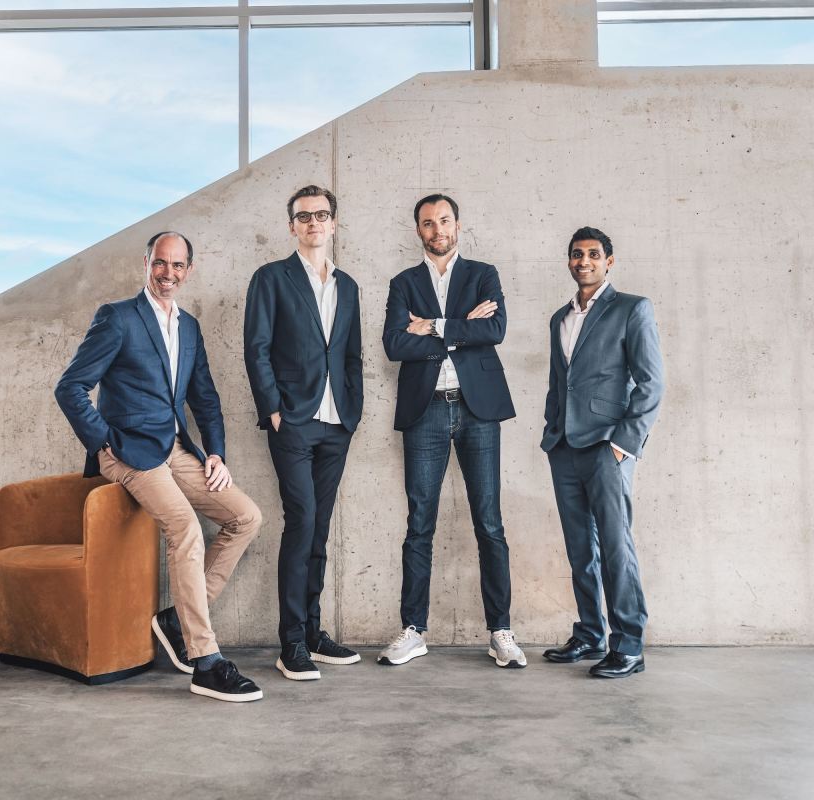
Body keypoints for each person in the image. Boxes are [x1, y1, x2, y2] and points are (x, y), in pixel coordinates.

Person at [55, 231, 264, 702]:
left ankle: (176, 620)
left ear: (189, 270)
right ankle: (205, 661)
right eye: (160, 263)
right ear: (146, 263)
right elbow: (70, 387)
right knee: (186, 529)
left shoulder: (189, 327)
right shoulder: (117, 318)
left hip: (175, 449)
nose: (168, 273)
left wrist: (216, 453)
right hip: (129, 452)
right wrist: (104, 441)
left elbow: (204, 397)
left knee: (246, 517)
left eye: (177, 265)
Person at [378, 193, 525, 669]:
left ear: (457, 225)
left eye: (444, 220)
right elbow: (394, 344)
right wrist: (462, 328)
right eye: (428, 223)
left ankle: (500, 631)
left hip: (478, 410)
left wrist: (433, 326)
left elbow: (495, 330)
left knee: (490, 523)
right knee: (419, 522)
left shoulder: (483, 275)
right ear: (418, 230)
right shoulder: (404, 283)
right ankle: (413, 630)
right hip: (425, 411)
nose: (437, 229)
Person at [243, 185, 364, 681]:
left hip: (337, 424)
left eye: (321, 215)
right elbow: (256, 347)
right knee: (302, 522)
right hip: (292, 421)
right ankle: (291, 641)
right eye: (304, 216)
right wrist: (273, 409)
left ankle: (313, 632)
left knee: (320, 528)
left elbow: (351, 353)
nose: (314, 222)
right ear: (292, 225)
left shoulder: (348, 286)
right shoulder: (271, 278)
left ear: (333, 223)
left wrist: (354, 408)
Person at [540, 226, 664, 679]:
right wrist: (552, 431)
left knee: (615, 547)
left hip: (607, 446)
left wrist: (623, 444)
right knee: (580, 549)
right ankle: (591, 633)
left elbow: (651, 383)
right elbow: (559, 383)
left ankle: (629, 645)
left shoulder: (632, 308)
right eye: (577, 254)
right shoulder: (559, 318)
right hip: (564, 447)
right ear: (569, 261)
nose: (584, 261)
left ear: (609, 261)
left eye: (594, 254)